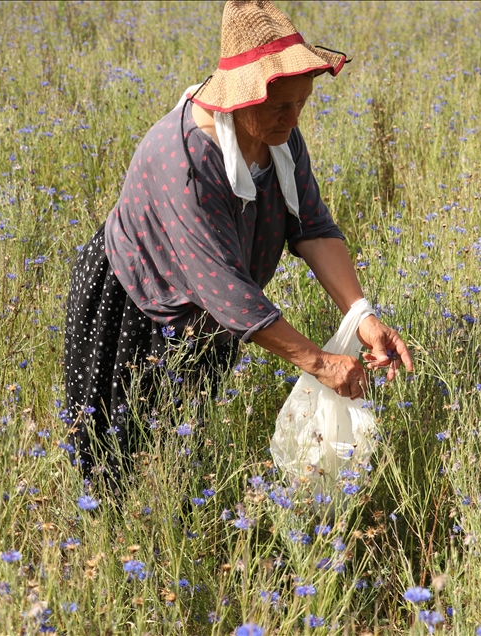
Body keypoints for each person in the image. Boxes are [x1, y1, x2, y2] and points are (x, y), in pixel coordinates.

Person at [63, 0, 413, 486]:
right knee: (115, 457)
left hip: (216, 316)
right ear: (239, 98)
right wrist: (320, 363)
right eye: (279, 107)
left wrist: (362, 316)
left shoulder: (278, 136)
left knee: (183, 446)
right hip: (136, 304)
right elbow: (225, 288)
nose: (292, 121)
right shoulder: (185, 158)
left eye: (301, 104)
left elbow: (311, 226)